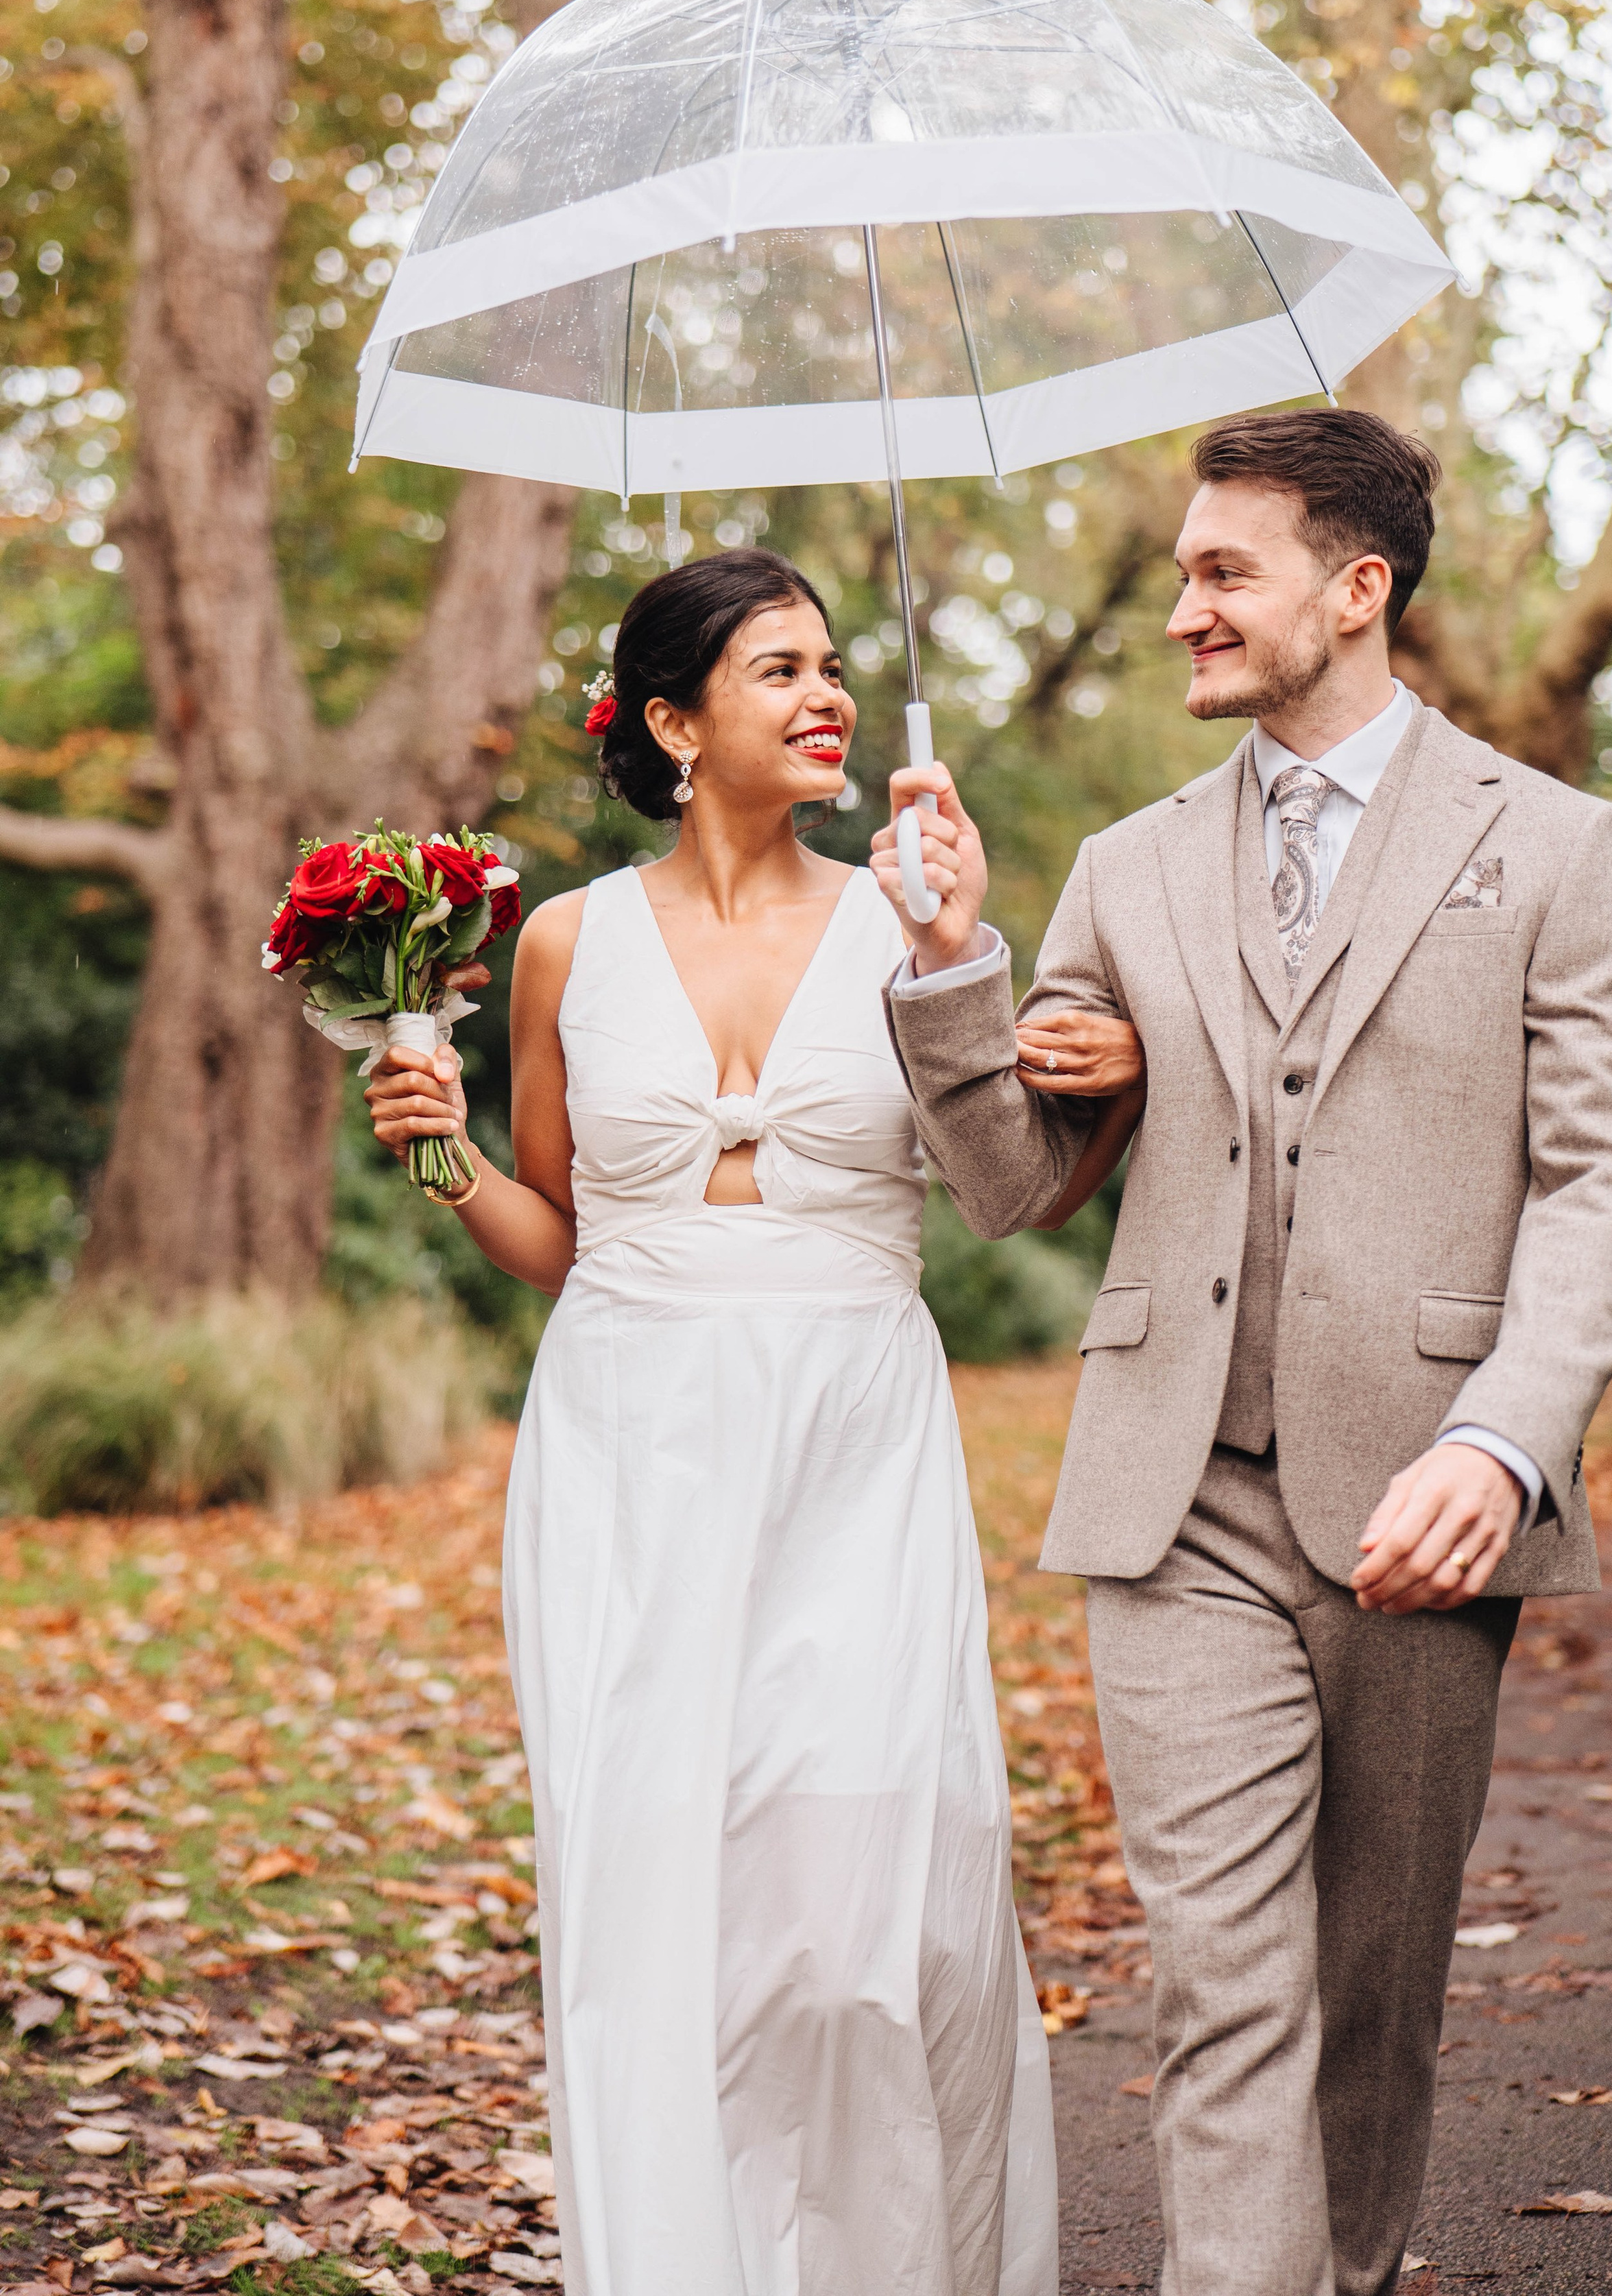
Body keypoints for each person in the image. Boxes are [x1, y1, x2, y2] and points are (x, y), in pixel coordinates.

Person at [871, 409, 1612, 2296]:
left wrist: (1503, 1444)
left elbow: (1604, 1184)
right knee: (1226, 1991)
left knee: (1367, 2000)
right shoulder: (1129, 868)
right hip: (1178, 1502)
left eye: (1223, 572)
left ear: (1357, 588)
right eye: (1179, 575)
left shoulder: (1555, 846)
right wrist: (951, 975)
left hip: (1423, 1499)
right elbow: (1010, 1192)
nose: (1180, 612)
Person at [363, 547, 1058, 2296]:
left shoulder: (914, 921)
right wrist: (437, 1149)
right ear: (672, 720)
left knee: (867, 1926)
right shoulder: (563, 943)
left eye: (830, 665)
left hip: (851, 1435)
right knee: (654, 1918)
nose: (826, 695)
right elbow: (561, 1234)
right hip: (627, 1440)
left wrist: (959, 952)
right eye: (776, 670)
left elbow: (1002, 1189)